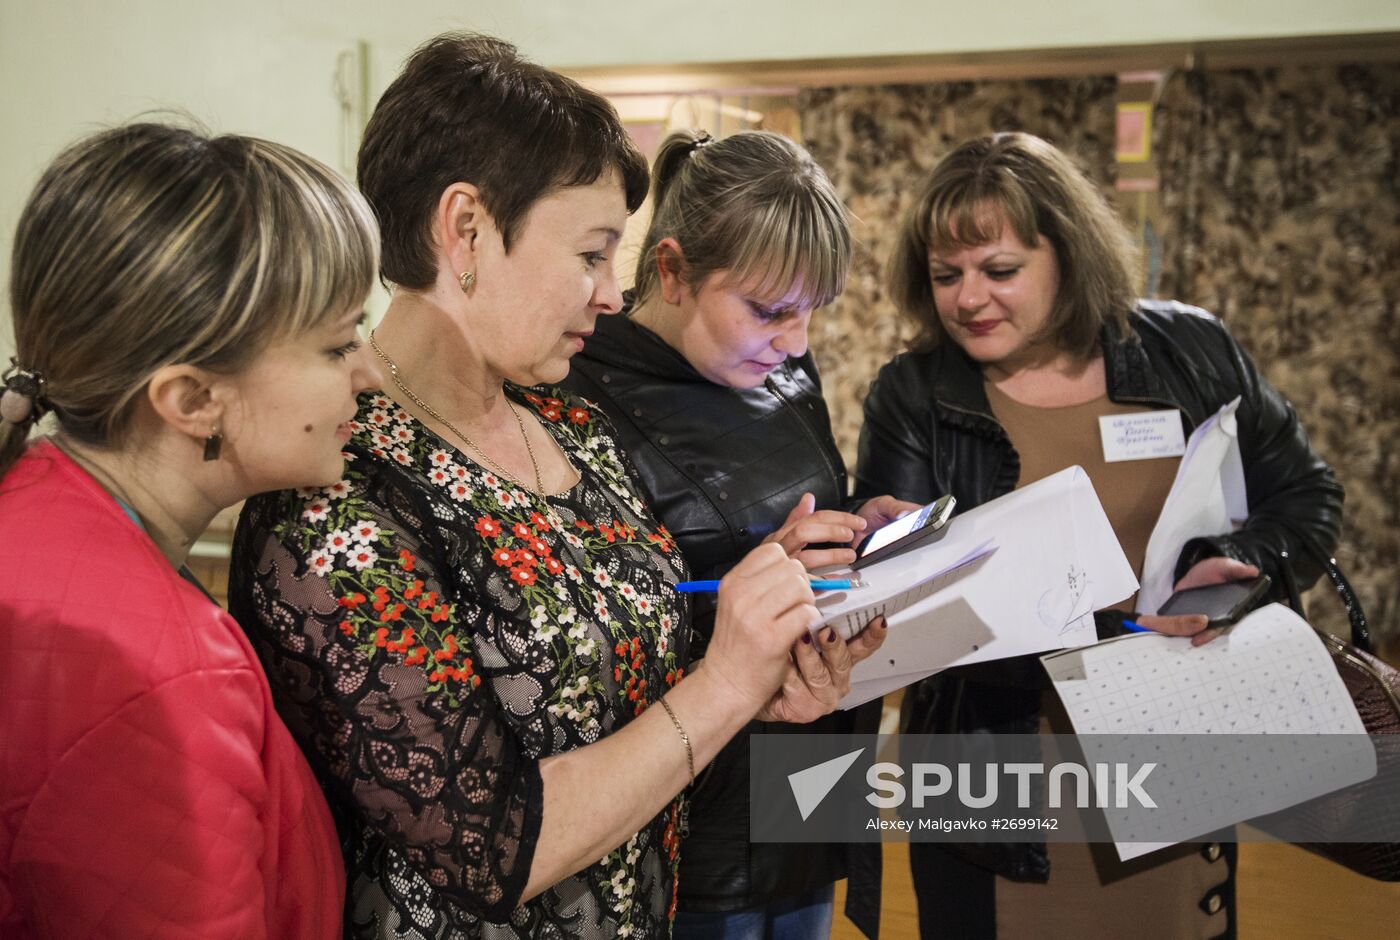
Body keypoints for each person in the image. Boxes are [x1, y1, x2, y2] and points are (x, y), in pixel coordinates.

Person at [228, 35, 862, 940]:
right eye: (593, 254)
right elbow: (492, 846)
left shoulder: (569, 427)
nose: (613, 294)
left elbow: (616, 693)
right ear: (467, 230)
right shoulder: (338, 494)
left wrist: (763, 680)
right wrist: (724, 686)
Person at [857, 131, 1344, 939]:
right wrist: (880, 554)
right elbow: (895, 614)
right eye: (947, 276)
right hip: (1000, 780)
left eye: (1000, 271)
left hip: (1176, 757)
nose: (969, 299)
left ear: (1070, 255)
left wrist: (1237, 569)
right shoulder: (914, 393)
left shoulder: (1190, 350)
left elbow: (1305, 494)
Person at [0, 122, 383, 938]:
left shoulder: (32, 497)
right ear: (192, 400)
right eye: (337, 344)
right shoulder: (165, 678)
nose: (370, 373)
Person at [561, 128, 913, 939]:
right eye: (769, 312)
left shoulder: (785, 370)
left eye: (810, 313)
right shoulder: (576, 389)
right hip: (684, 807)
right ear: (674, 269)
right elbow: (573, 629)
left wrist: (858, 527)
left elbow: (790, 512)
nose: (794, 343)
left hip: (807, 770)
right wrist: (746, 590)